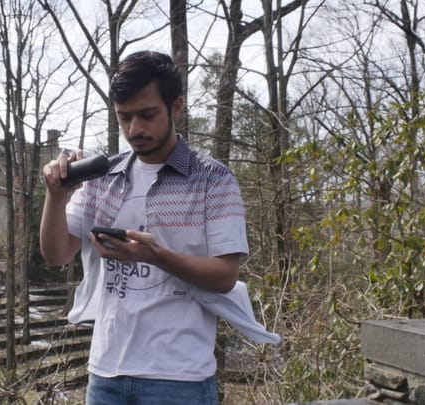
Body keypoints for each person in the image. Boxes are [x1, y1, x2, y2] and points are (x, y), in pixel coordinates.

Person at [40, 51, 277, 405]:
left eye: (147, 114)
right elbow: (56, 253)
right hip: (106, 372)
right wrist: (56, 197)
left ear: (176, 106)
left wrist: (156, 256)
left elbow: (225, 275)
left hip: (178, 377)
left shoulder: (213, 179)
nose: (134, 129)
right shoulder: (103, 177)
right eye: (124, 117)